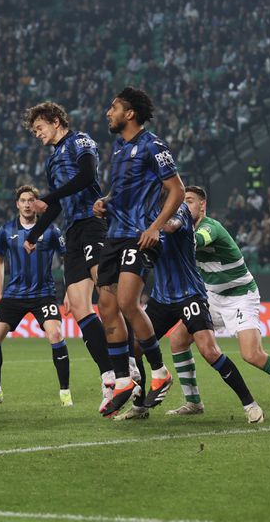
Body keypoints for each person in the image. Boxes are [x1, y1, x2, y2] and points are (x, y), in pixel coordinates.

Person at [114, 202, 263, 423]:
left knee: (210, 351)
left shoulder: (179, 209)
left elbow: (172, 226)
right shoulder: (143, 208)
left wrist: (152, 227)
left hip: (190, 295)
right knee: (135, 347)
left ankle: (250, 404)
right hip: (162, 298)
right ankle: (140, 407)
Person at [181, 186, 270, 416]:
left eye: (189, 201)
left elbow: (197, 241)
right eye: (182, 202)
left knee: (252, 355)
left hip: (240, 296)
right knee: (178, 338)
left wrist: (168, 232)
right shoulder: (185, 230)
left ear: (202, 205)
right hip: (212, 297)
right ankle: (193, 402)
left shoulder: (210, 228)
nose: (184, 206)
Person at [92, 87, 184, 417]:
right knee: (105, 304)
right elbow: (125, 192)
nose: (108, 113)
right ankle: (122, 380)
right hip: (115, 234)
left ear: (130, 114)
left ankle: (159, 373)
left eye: (113, 108)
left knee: (128, 302)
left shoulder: (152, 145)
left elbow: (177, 189)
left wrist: (156, 226)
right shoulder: (119, 149)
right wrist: (106, 202)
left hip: (139, 235)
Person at [21, 101, 116, 410]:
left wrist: (48, 197)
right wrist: (34, 234)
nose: (37, 134)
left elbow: (88, 176)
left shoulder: (80, 141)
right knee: (78, 306)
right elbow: (58, 206)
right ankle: (109, 376)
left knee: (106, 294)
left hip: (92, 223)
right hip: (73, 231)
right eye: (34, 131)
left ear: (56, 121)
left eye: (39, 128)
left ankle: (132, 362)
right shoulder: (51, 162)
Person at [0, 186, 69, 406]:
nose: (28, 204)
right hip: (14, 294)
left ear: (37, 203)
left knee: (55, 334)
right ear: (17, 204)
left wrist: (69, 290)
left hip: (44, 294)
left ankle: (65, 392)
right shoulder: (6, 230)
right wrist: (0, 292)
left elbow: (68, 259)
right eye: (23, 200)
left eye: (31, 200)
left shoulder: (51, 230)